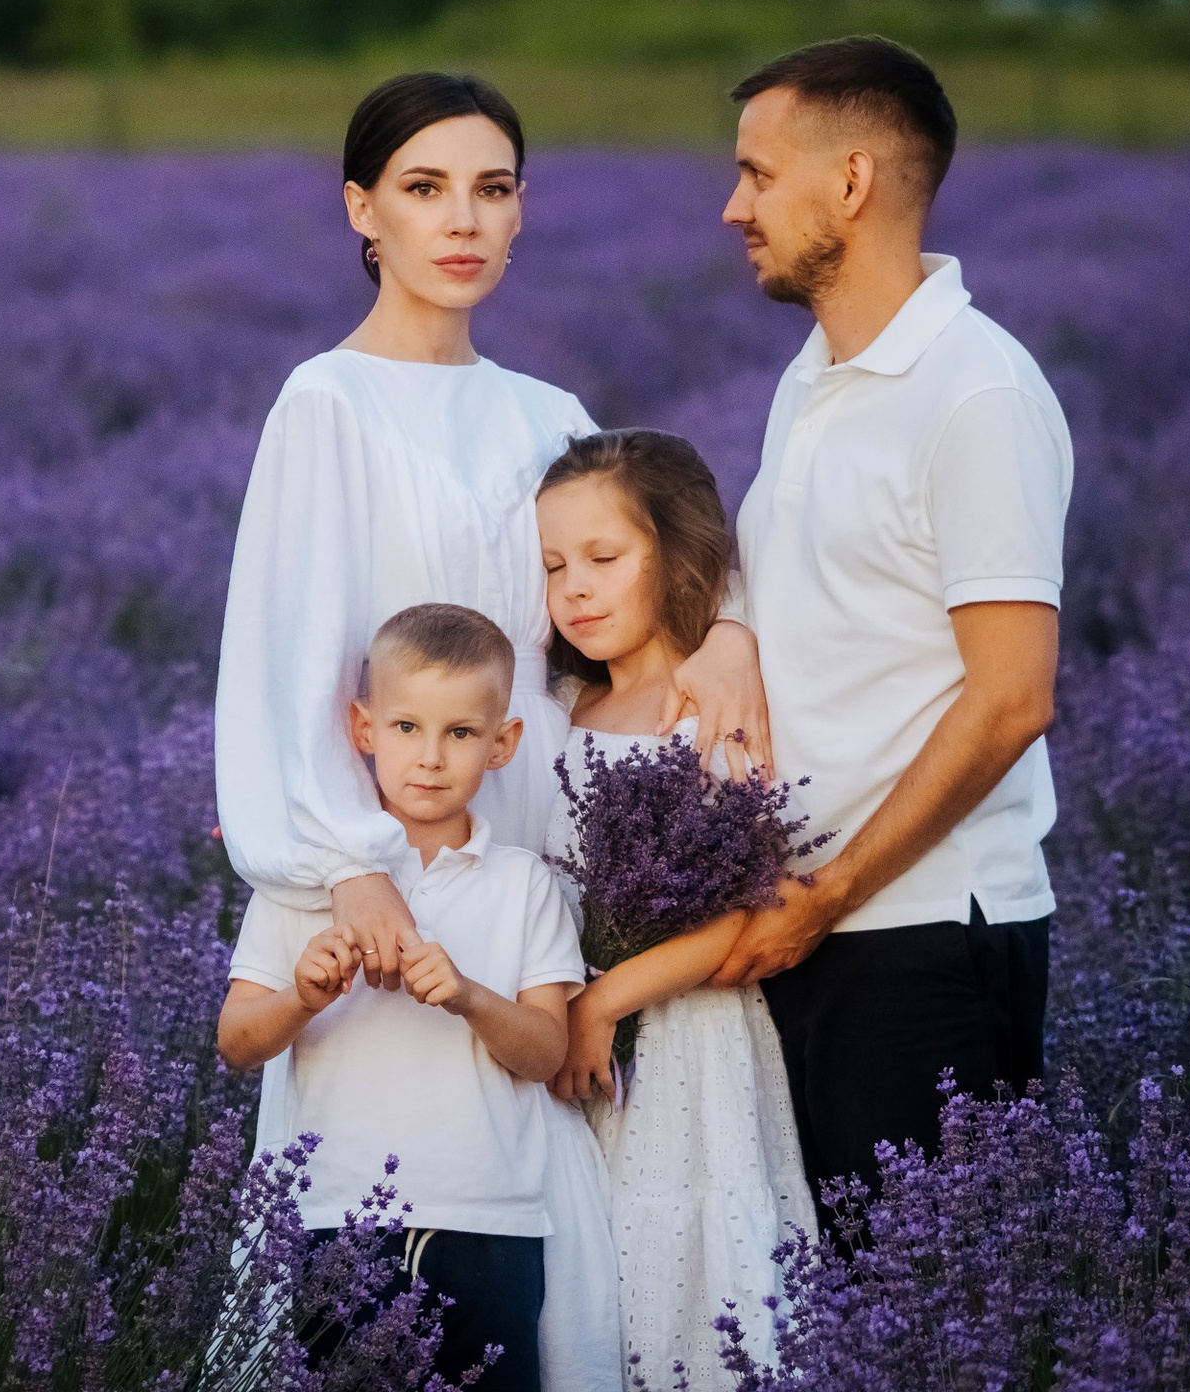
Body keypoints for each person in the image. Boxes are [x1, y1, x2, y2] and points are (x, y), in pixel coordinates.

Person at [214, 70, 771, 1390]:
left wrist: (732, 632)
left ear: (522, 217)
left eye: (493, 189)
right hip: (378, 890)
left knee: (559, 1255)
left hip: (533, 891)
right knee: (374, 1239)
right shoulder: (326, 404)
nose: (461, 220)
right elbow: (284, 666)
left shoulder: (545, 416)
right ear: (364, 210)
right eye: (424, 188)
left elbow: (657, 557)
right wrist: (350, 867)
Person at [704, 36, 1072, 1208]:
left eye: (758, 175)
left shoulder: (975, 393)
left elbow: (1012, 696)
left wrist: (828, 895)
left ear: (850, 184)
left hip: (922, 935)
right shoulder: (812, 374)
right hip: (809, 926)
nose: (731, 208)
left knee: (915, 1316)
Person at [220, 604, 584, 1392]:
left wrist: (468, 997)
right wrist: (302, 997)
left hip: (488, 1219)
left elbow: (547, 1052)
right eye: (407, 727)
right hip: (335, 1217)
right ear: (362, 729)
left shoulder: (524, 885)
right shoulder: (306, 885)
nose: (429, 757)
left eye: (459, 733)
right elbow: (238, 1043)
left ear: (503, 744)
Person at [535, 432, 813, 1390]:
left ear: (680, 555)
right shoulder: (556, 713)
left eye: (605, 560)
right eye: (553, 566)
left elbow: (749, 910)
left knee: (694, 1274)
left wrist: (604, 1003)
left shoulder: (709, 710)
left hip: (689, 1045)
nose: (576, 588)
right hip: (575, 1059)